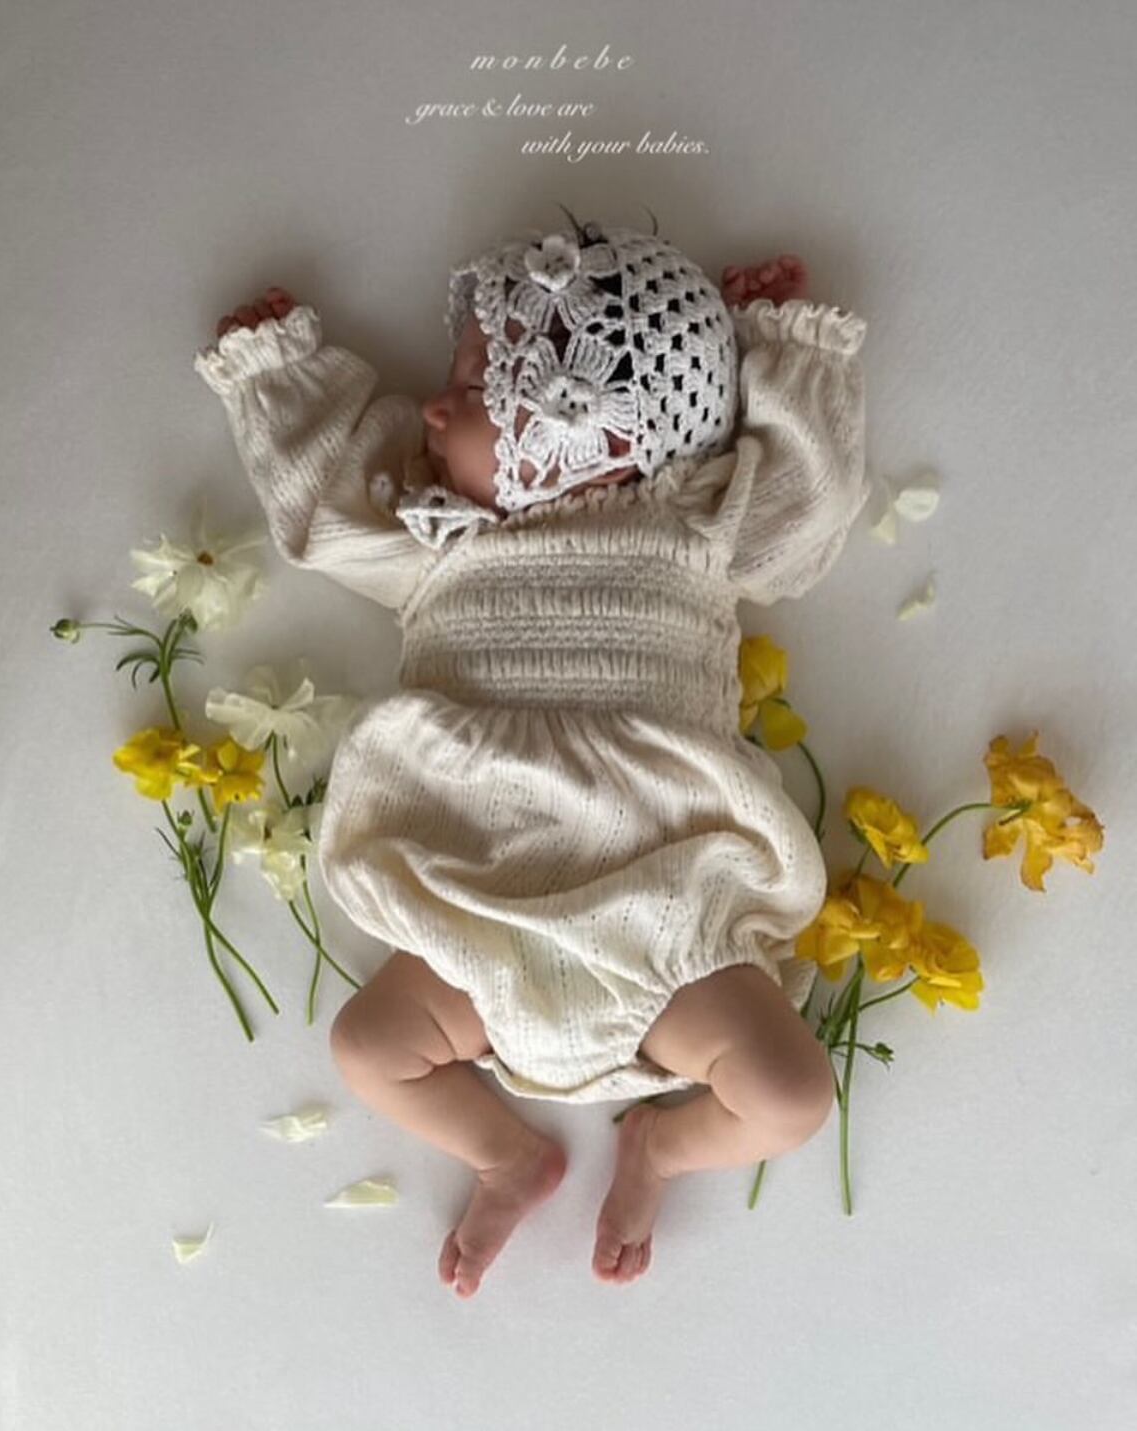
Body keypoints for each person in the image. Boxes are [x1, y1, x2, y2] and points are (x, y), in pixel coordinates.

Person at [194, 211, 869, 1299]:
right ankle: (506, 1153)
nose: (434, 408)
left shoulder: (691, 527)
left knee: (791, 1097)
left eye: (473, 385)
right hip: (482, 900)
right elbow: (331, 505)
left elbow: (803, 507)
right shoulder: (439, 536)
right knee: (367, 1048)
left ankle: (661, 1148)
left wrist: (788, 352)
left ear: (594, 427)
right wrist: (281, 377)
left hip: (668, 909)